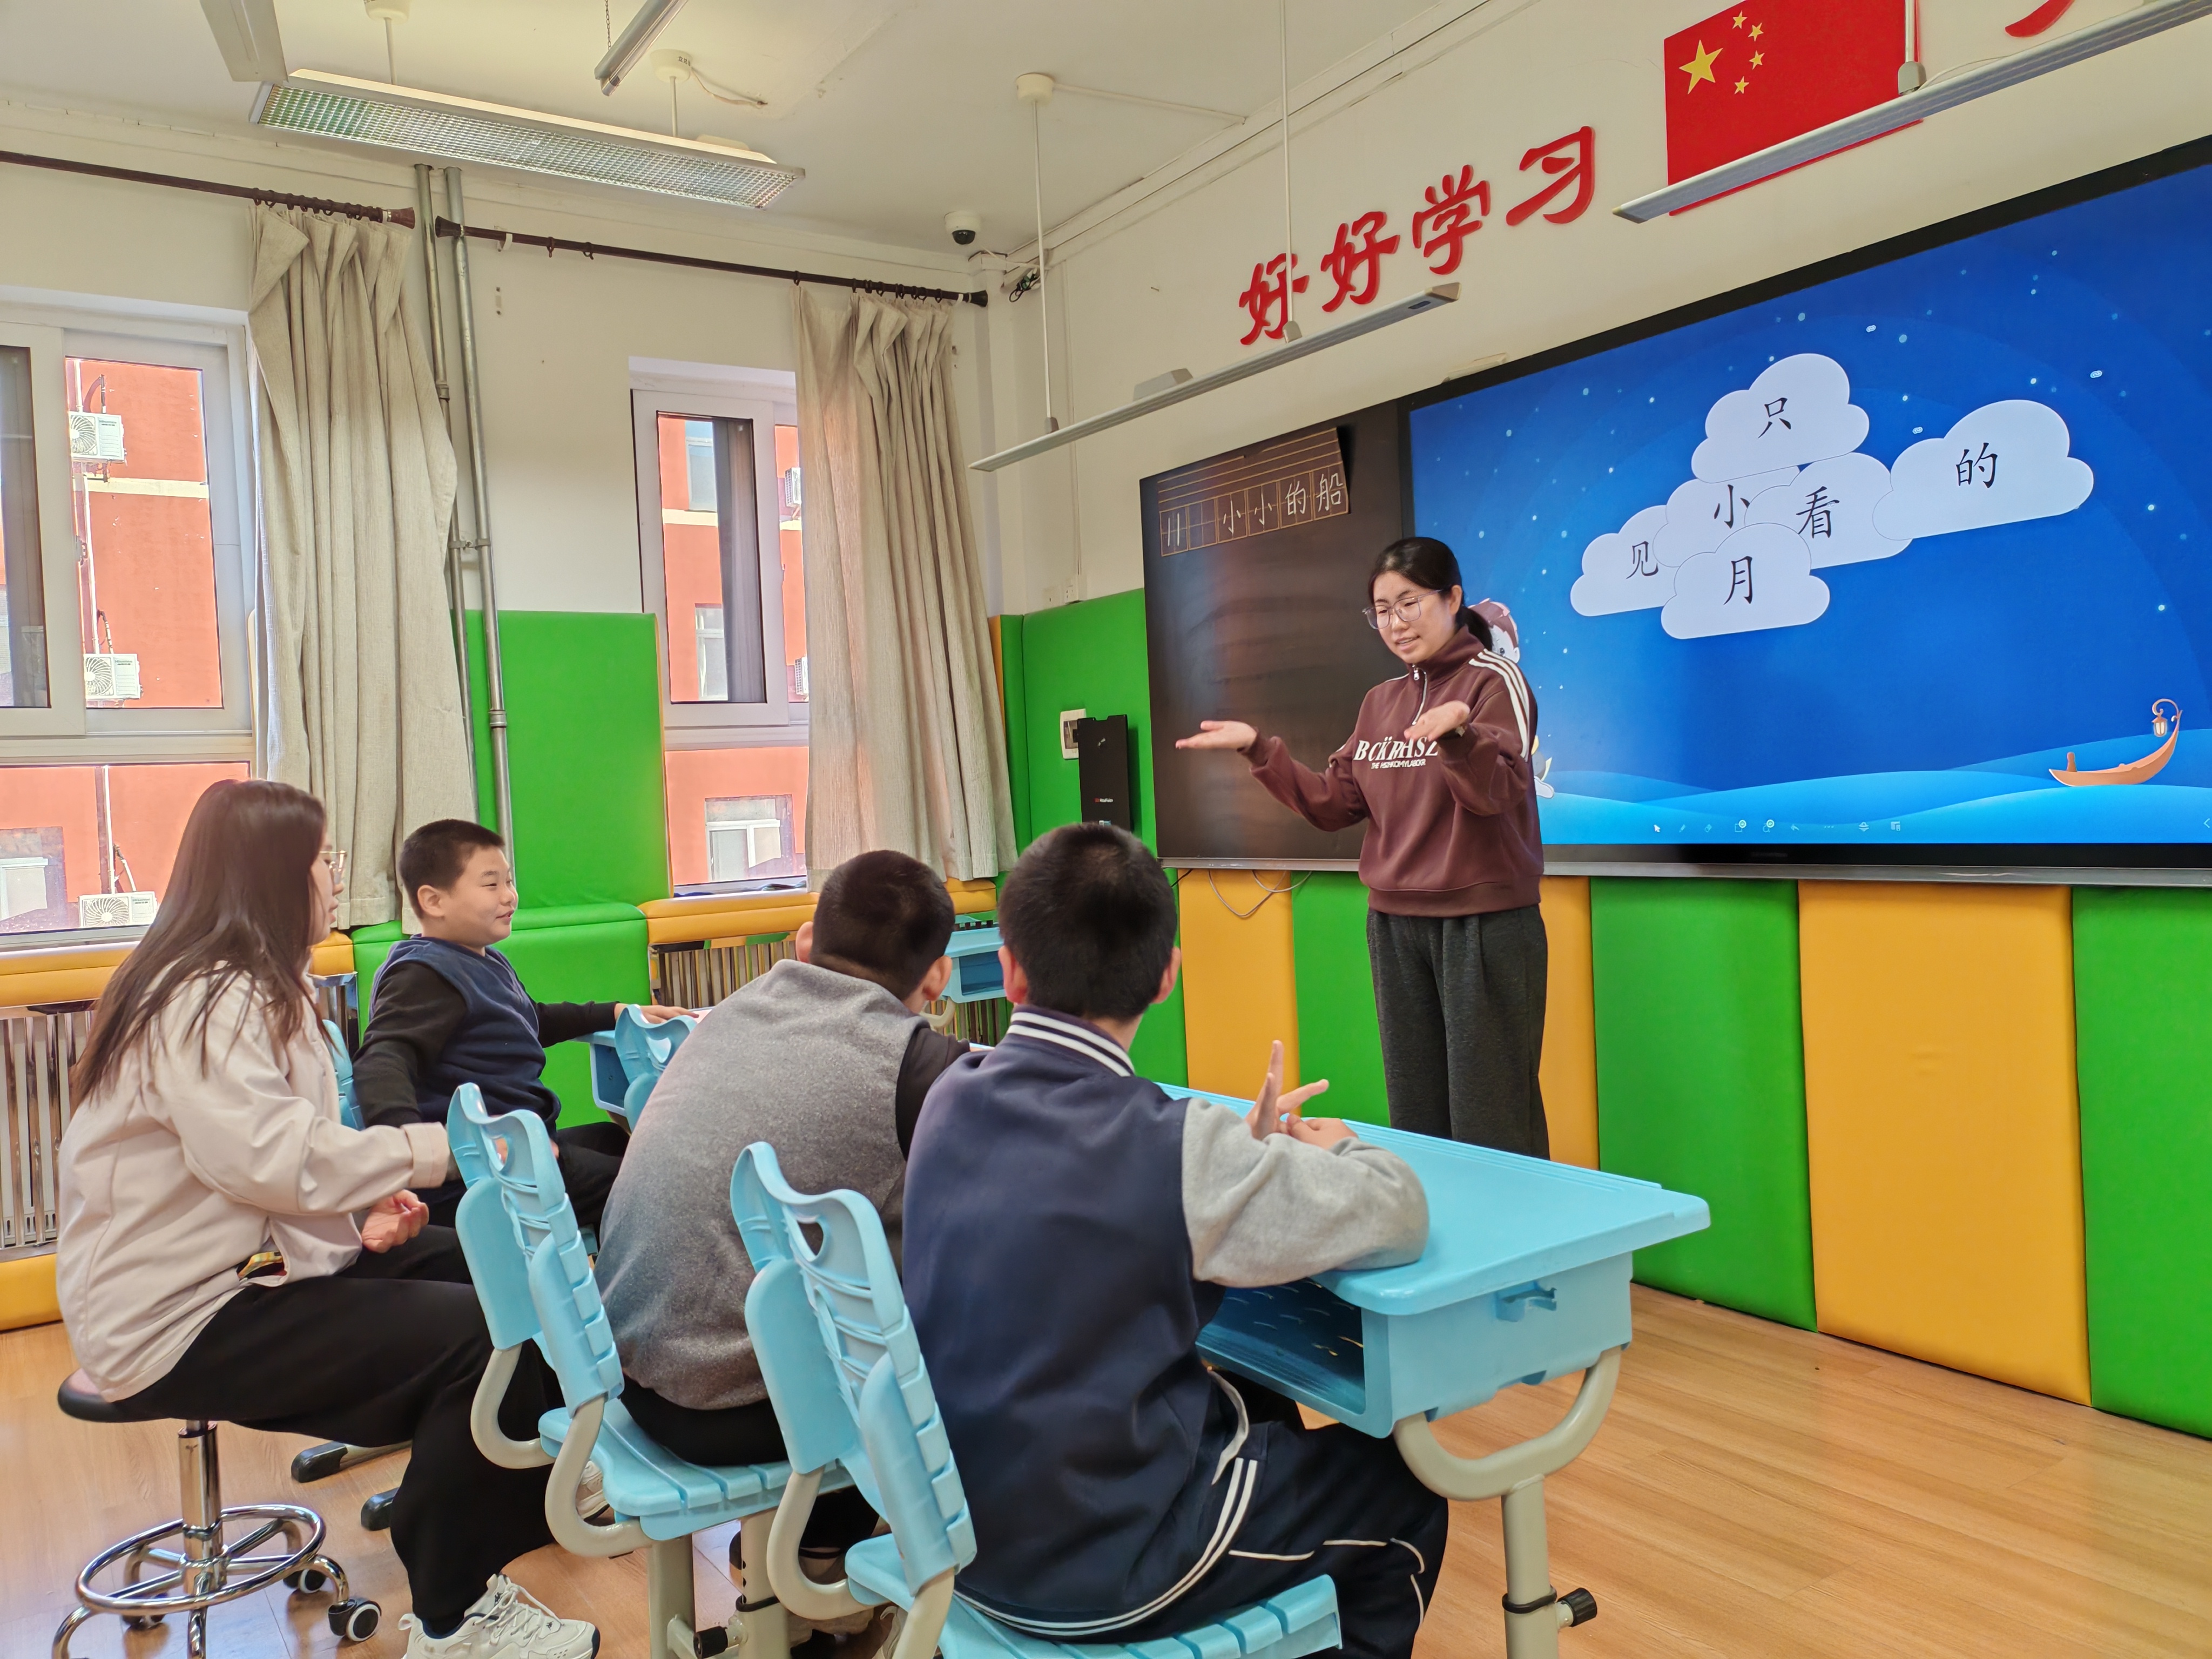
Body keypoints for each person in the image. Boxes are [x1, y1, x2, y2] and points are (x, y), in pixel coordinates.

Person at [54, 779, 596, 1659]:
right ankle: (456, 1613)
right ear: (271, 874)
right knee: (474, 1336)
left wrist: (357, 1215)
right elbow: (275, 1159)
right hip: (180, 1314)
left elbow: (263, 1168)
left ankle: (499, 1487)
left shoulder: (257, 983)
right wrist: (432, 1151)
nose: (336, 875)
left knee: (501, 1270)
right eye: (322, 859)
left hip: (244, 1270)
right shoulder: (204, 999)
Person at [903, 823, 1445, 1659]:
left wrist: (1238, 1159)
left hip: (955, 1532)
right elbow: (1399, 1213)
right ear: (1168, 975)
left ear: (1009, 969)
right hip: (1097, 1560)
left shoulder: (948, 1095)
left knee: (1256, 1404)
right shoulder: (1177, 1147)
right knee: (1405, 1491)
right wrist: (1338, 1147)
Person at [596, 849, 968, 1580]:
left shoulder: (729, 1013)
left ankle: (799, 1554)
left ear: (803, 941)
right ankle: (825, 1562)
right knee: (955, 1330)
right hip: (726, 1406)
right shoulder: (916, 1066)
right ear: (937, 978)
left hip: (632, 1368)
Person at [1176, 535, 1550, 1155]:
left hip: (1482, 925)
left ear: (1452, 598)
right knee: (1416, 1113)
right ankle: (1430, 1217)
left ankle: (1520, 1222)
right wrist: (1257, 749)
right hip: (1395, 926)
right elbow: (1335, 805)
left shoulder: (1493, 681)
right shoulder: (1381, 702)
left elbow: (1496, 793)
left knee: (1492, 1119)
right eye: (1382, 610)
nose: (1396, 623)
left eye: (1409, 603)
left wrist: (1457, 736)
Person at [352, 817, 687, 1230]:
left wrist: (614, 1011)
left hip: (522, 1147)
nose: (509, 896)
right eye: (491, 885)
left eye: (509, 882)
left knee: (614, 1139)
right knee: (659, 1185)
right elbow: (382, 1061)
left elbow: (530, 1018)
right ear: (434, 901)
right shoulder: (424, 974)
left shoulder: (481, 958)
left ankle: (617, 1257)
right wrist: (411, 1152)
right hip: (485, 1174)